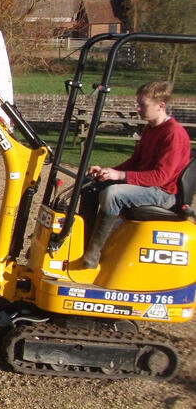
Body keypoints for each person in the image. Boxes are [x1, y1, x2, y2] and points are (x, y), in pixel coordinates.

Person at [79, 81, 191, 269]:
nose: (138, 108)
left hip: (163, 193)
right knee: (90, 187)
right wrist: (108, 172)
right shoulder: (150, 129)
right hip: (149, 187)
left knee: (113, 194)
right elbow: (135, 163)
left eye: (143, 105)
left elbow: (160, 177)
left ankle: (93, 254)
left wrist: (119, 175)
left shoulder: (173, 134)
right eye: (137, 103)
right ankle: (83, 243)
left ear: (161, 105)